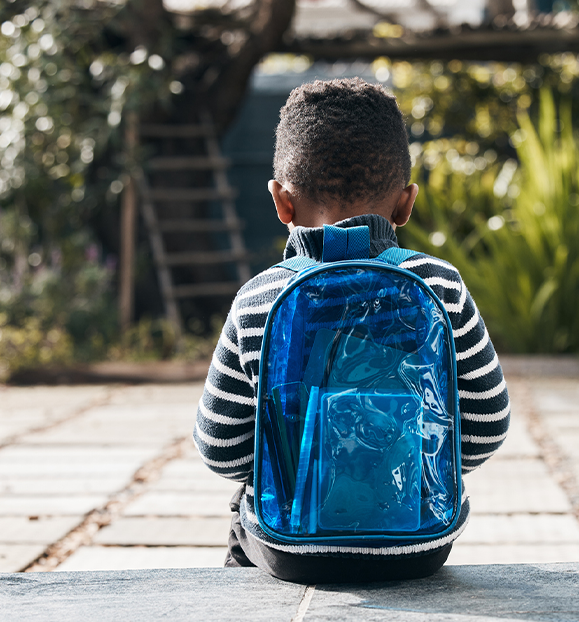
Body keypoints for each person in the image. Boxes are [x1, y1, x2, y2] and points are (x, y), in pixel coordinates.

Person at [194, 77, 510, 583]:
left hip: (292, 551)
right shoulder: (441, 285)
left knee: (242, 513)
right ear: (405, 204)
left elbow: (221, 448)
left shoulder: (258, 298)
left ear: (281, 203)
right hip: (419, 544)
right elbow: (487, 424)